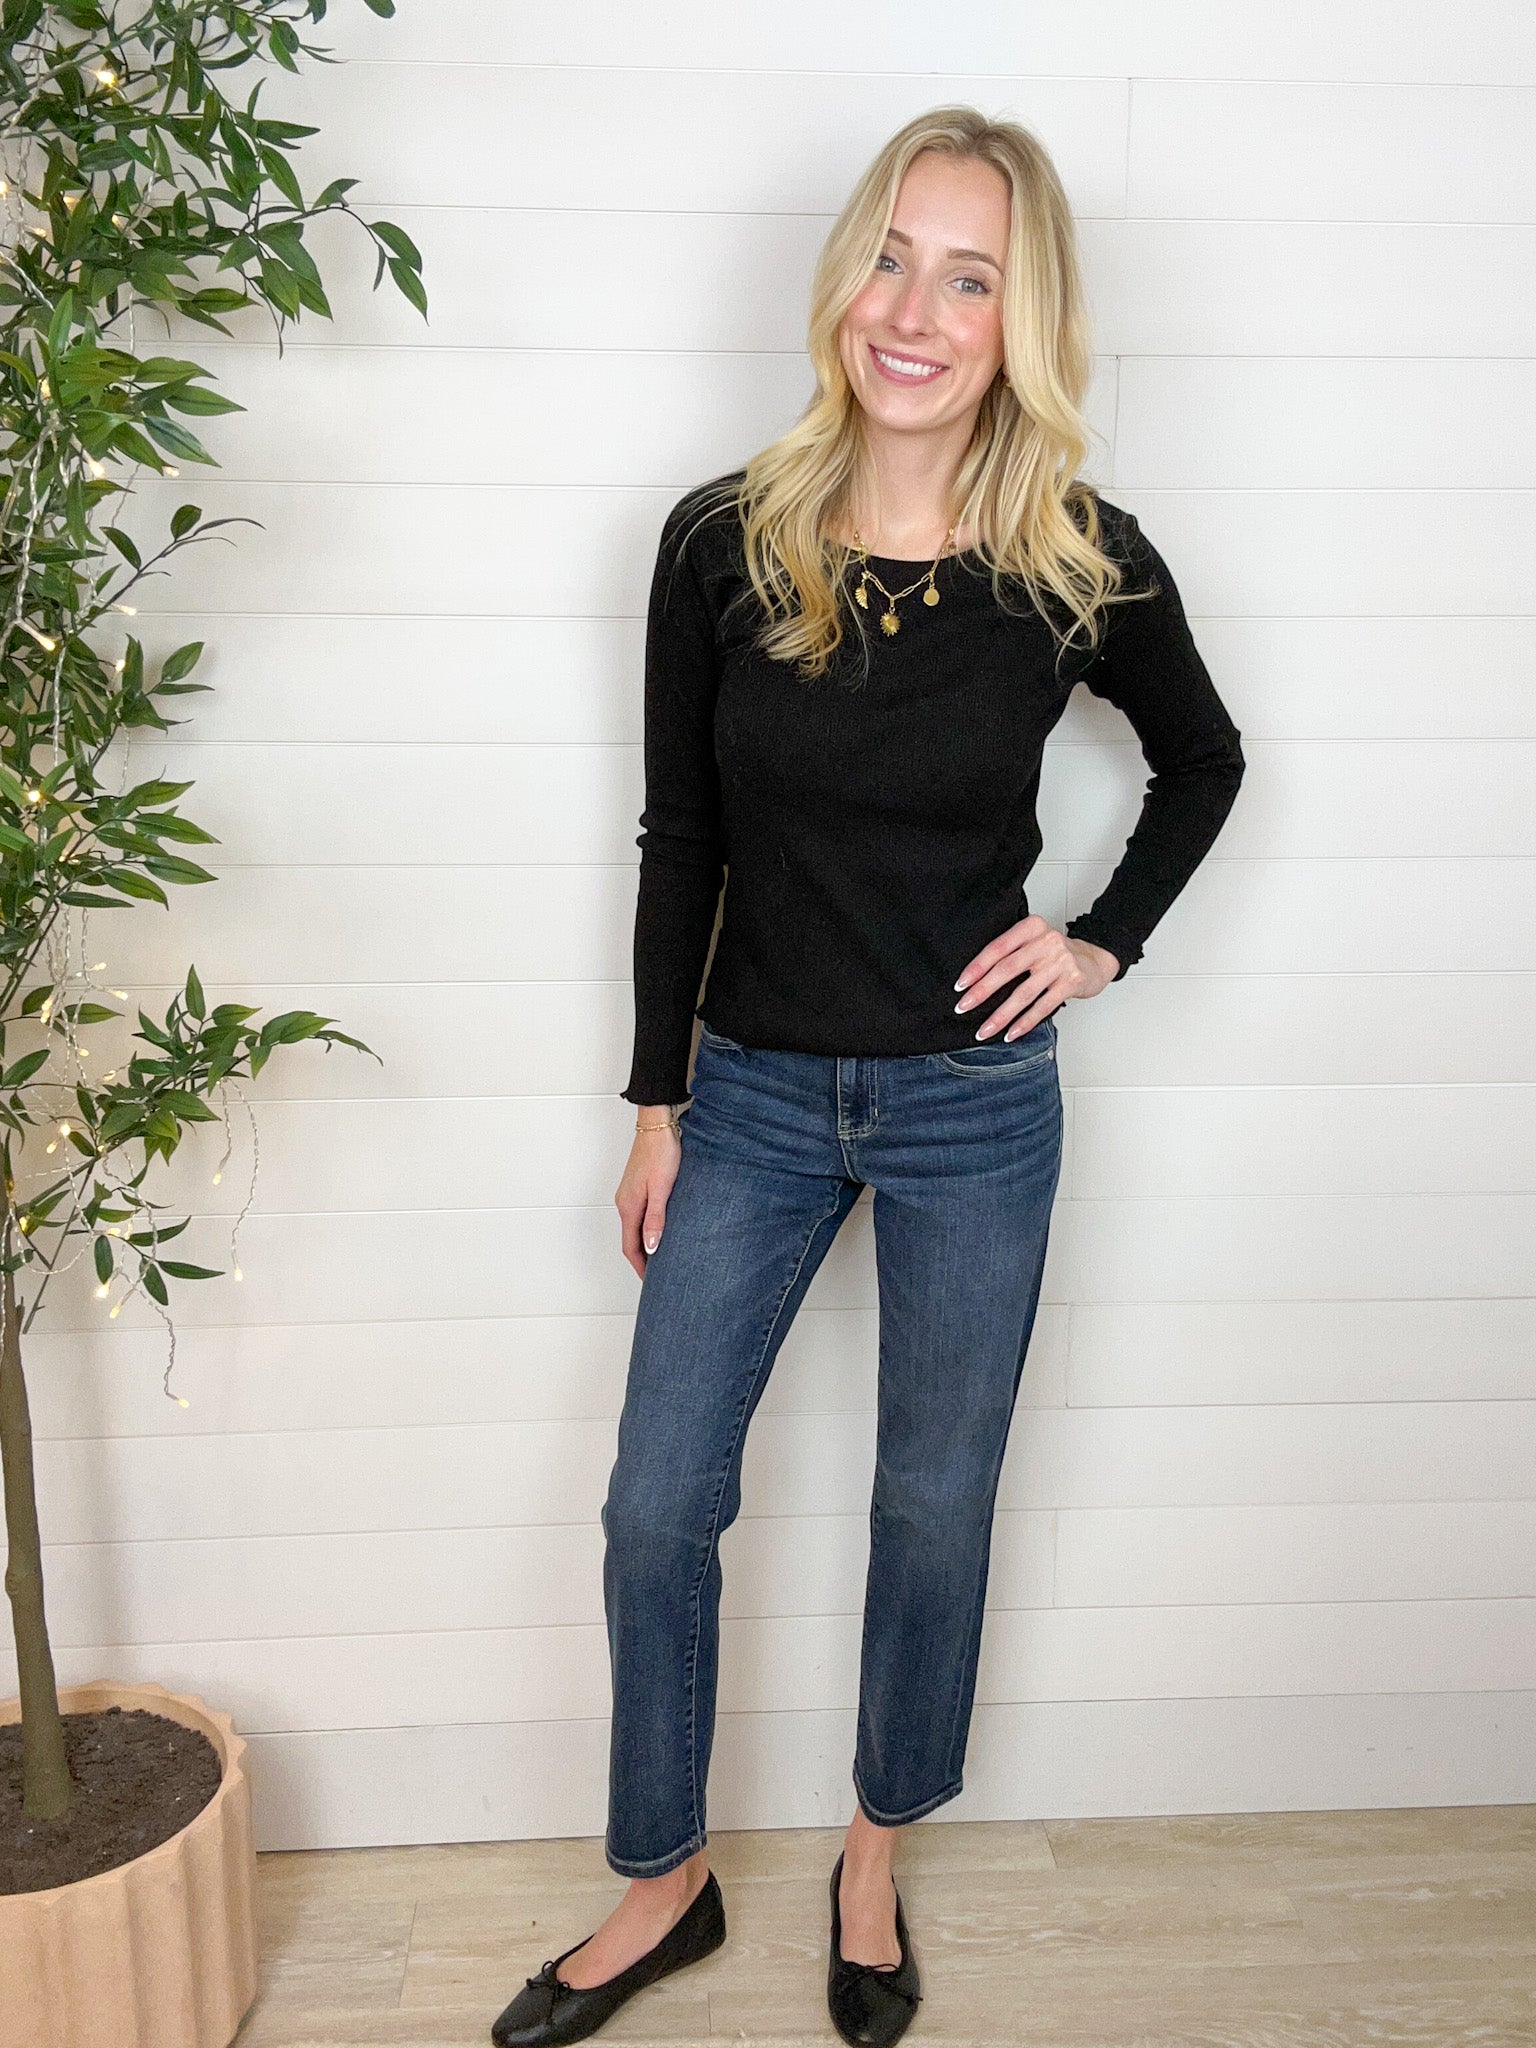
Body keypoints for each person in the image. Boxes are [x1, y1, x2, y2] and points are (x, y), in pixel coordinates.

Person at [491, 103, 1245, 2048]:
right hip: (749, 1093)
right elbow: (682, 838)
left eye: (968, 278)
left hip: (969, 1109)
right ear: (845, 278)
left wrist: (1098, 939)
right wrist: (654, 1101)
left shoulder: (1074, 561)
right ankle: (663, 1880)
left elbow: (1206, 759)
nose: (914, 311)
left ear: (1020, 321)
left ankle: (872, 1854)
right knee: (657, 1503)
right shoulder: (720, 541)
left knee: (933, 1506)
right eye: (892, 259)